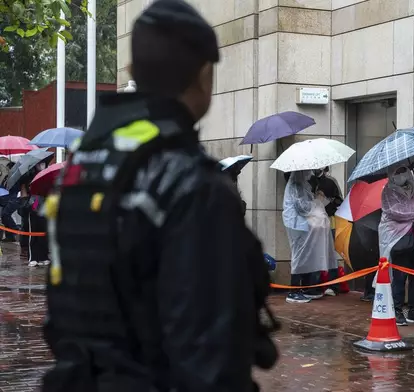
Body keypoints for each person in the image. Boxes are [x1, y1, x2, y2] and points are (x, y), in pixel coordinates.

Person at [42, 1, 277, 391]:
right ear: (205, 75)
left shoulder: (77, 173)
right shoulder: (191, 184)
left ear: (133, 72)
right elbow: (211, 364)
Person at [379, 164, 414, 326]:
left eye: (403, 171)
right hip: (397, 238)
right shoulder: (388, 191)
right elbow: (397, 212)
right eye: (397, 172)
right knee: (399, 276)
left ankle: (413, 310)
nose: (400, 175)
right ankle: (397, 310)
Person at [282, 170, 337, 304]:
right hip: (297, 225)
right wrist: (318, 202)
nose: (309, 173)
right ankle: (294, 291)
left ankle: (306, 289)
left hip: (302, 225)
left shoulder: (302, 185)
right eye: (306, 171)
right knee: (298, 256)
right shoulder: (295, 186)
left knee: (304, 255)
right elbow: (302, 207)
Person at [309, 166, 343, 296]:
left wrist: (328, 201)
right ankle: (315, 285)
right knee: (314, 253)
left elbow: (340, 200)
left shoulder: (331, 181)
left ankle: (333, 285)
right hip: (313, 221)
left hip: (329, 220)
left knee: (330, 253)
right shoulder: (309, 181)